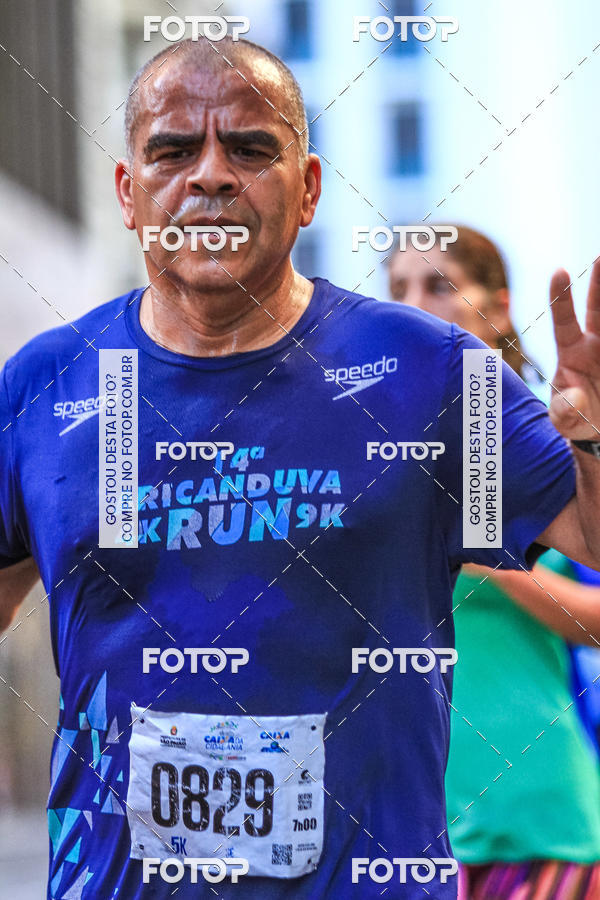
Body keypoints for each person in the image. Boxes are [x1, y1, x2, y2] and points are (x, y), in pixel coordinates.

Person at [2, 39, 600, 899]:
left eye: (250, 148)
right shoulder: (44, 384)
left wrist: (594, 440)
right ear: (130, 194)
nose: (210, 176)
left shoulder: (429, 371)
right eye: (173, 150)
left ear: (309, 187)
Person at [388, 225, 600, 898]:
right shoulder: (376, 460)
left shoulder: (539, 451)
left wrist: (483, 555)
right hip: (413, 827)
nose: (414, 304)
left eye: (439, 285)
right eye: (397, 290)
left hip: (535, 820)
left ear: (499, 307)